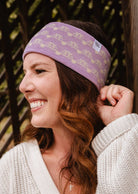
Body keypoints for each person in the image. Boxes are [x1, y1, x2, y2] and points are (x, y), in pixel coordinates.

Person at [0, 20, 137, 194]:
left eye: (39, 71)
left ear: (77, 81)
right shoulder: (14, 167)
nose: (23, 86)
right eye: (25, 73)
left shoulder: (124, 154)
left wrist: (120, 127)